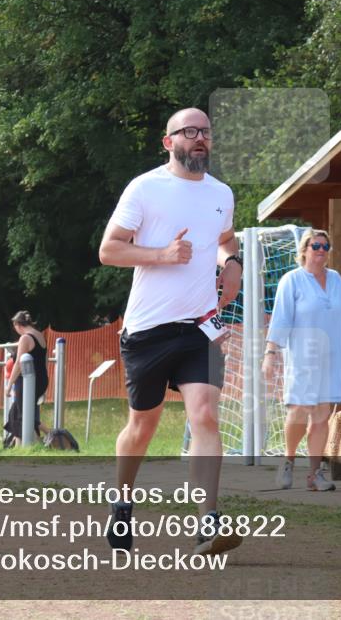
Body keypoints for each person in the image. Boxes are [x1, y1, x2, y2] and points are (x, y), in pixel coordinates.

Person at [98, 107, 243, 556]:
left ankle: (208, 522)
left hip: (199, 326)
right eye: (189, 132)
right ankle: (122, 504)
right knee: (143, 426)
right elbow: (109, 250)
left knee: (205, 416)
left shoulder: (221, 193)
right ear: (169, 142)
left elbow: (224, 240)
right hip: (147, 331)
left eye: (205, 132)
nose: (199, 138)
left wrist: (231, 264)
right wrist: (162, 254)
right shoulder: (145, 188)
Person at [263, 229, 341, 491]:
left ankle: (315, 474)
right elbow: (281, 319)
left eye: (326, 246)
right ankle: (288, 461)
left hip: (333, 356)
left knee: (321, 417)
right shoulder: (291, 281)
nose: (322, 251)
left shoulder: (337, 280)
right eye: (316, 246)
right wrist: (270, 354)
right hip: (303, 357)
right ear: (304, 250)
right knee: (299, 411)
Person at [3, 310, 50, 447]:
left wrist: (9, 384)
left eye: (15, 327)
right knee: (16, 413)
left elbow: (18, 363)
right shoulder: (40, 335)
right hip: (41, 379)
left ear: (18, 324)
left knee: (23, 414)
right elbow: (43, 360)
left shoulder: (25, 338)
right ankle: (19, 446)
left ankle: (41, 443)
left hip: (28, 380)